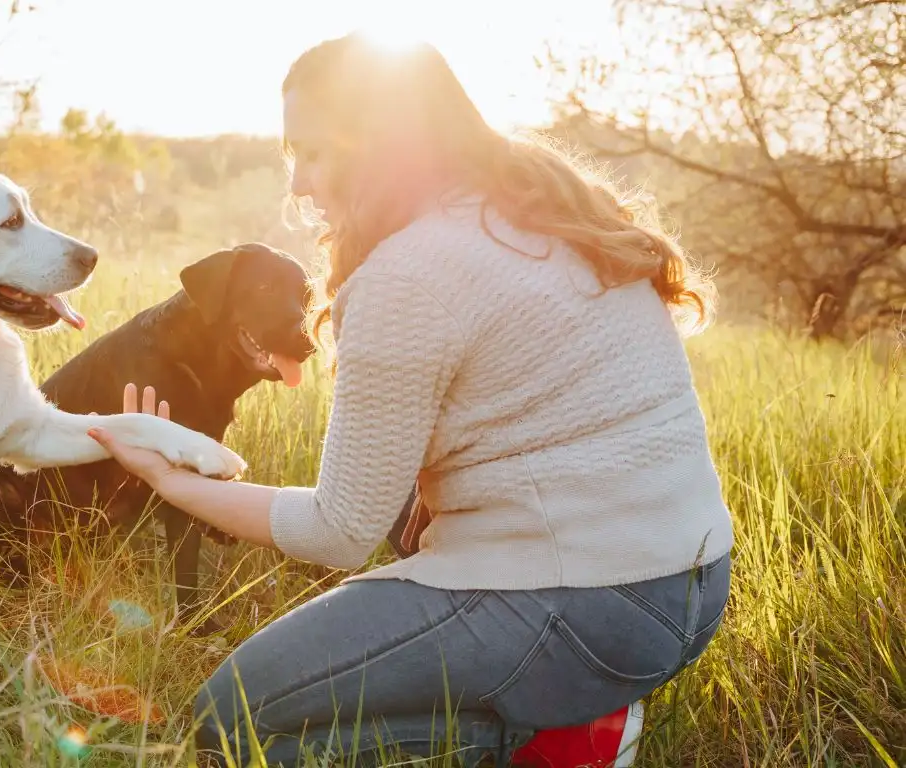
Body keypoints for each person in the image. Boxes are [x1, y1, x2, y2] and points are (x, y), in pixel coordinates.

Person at [87, 32, 734, 766]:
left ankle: (561, 733)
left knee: (232, 721)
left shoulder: (409, 274)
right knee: (405, 530)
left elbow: (338, 530)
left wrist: (171, 480)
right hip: (692, 582)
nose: (299, 184)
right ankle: (558, 694)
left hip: (587, 604)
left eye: (314, 153)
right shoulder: (541, 211)